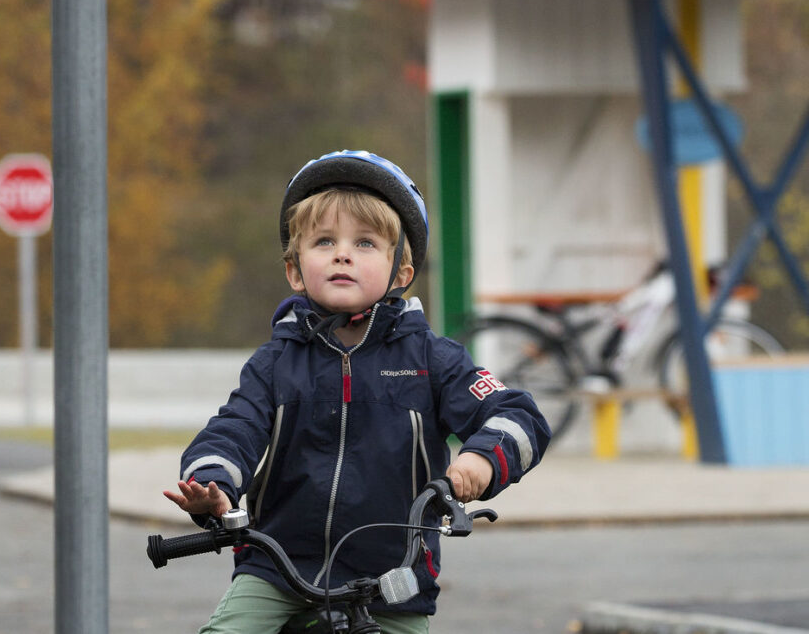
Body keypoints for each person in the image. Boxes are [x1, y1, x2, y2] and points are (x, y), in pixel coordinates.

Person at [163, 150, 551, 633]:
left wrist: (481, 461)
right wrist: (214, 484)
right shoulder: (275, 363)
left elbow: (519, 415)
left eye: (365, 243)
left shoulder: (433, 359)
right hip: (278, 571)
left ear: (400, 273)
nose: (342, 254)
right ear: (295, 270)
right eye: (324, 241)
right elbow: (233, 428)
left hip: (391, 580)